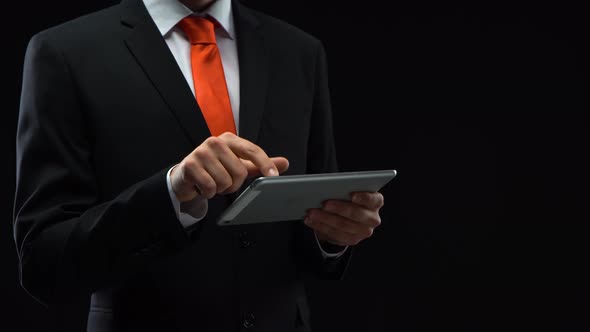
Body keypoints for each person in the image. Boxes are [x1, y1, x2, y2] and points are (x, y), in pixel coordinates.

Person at [14, 0, 385, 331]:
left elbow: (310, 241)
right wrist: (171, 193)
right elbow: (44, 262)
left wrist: (332, 235)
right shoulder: (64, 52)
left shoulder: (300, 51)